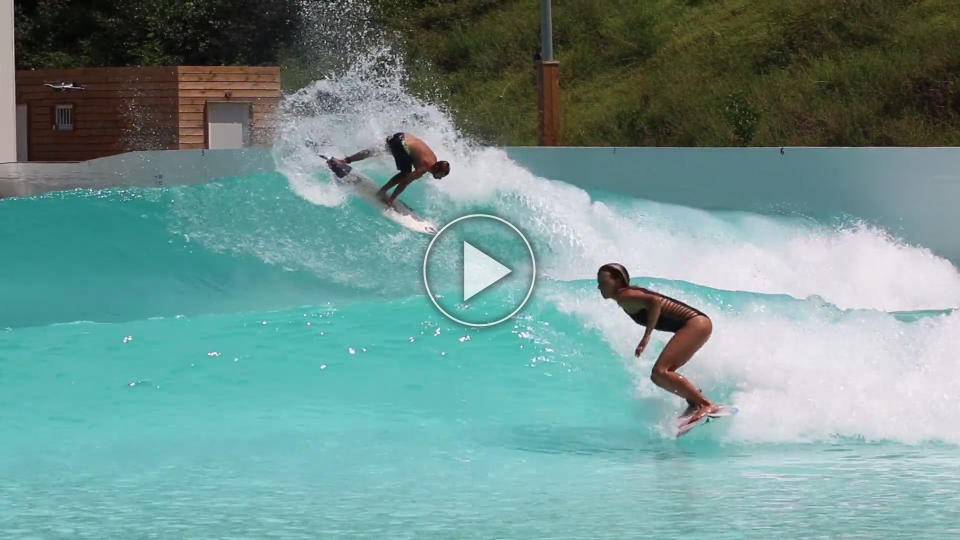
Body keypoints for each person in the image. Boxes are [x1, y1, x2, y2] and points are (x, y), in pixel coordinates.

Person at [596, 263, 719, 425]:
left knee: (660, 372)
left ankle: (707, 404)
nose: (599, 287)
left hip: (695, 323)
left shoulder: (625, 296)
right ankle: (694, 401)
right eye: (598, 283)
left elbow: (654, 301)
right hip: (697, 323)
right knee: (661, 374)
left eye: (603, 282)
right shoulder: (628, 294)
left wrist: (646, 336)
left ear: (618, 281)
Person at [335, 132, 450, 206]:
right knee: (405, 173)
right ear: (436, 167)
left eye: (441, 176)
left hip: (399, 136)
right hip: (402, 143)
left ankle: (345, 160)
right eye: (439, 175)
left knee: (374, 152)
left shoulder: (433, 158)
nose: (438, 178)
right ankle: (382, 192)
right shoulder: (425, 166)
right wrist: (391, 199)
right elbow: (404, 183)